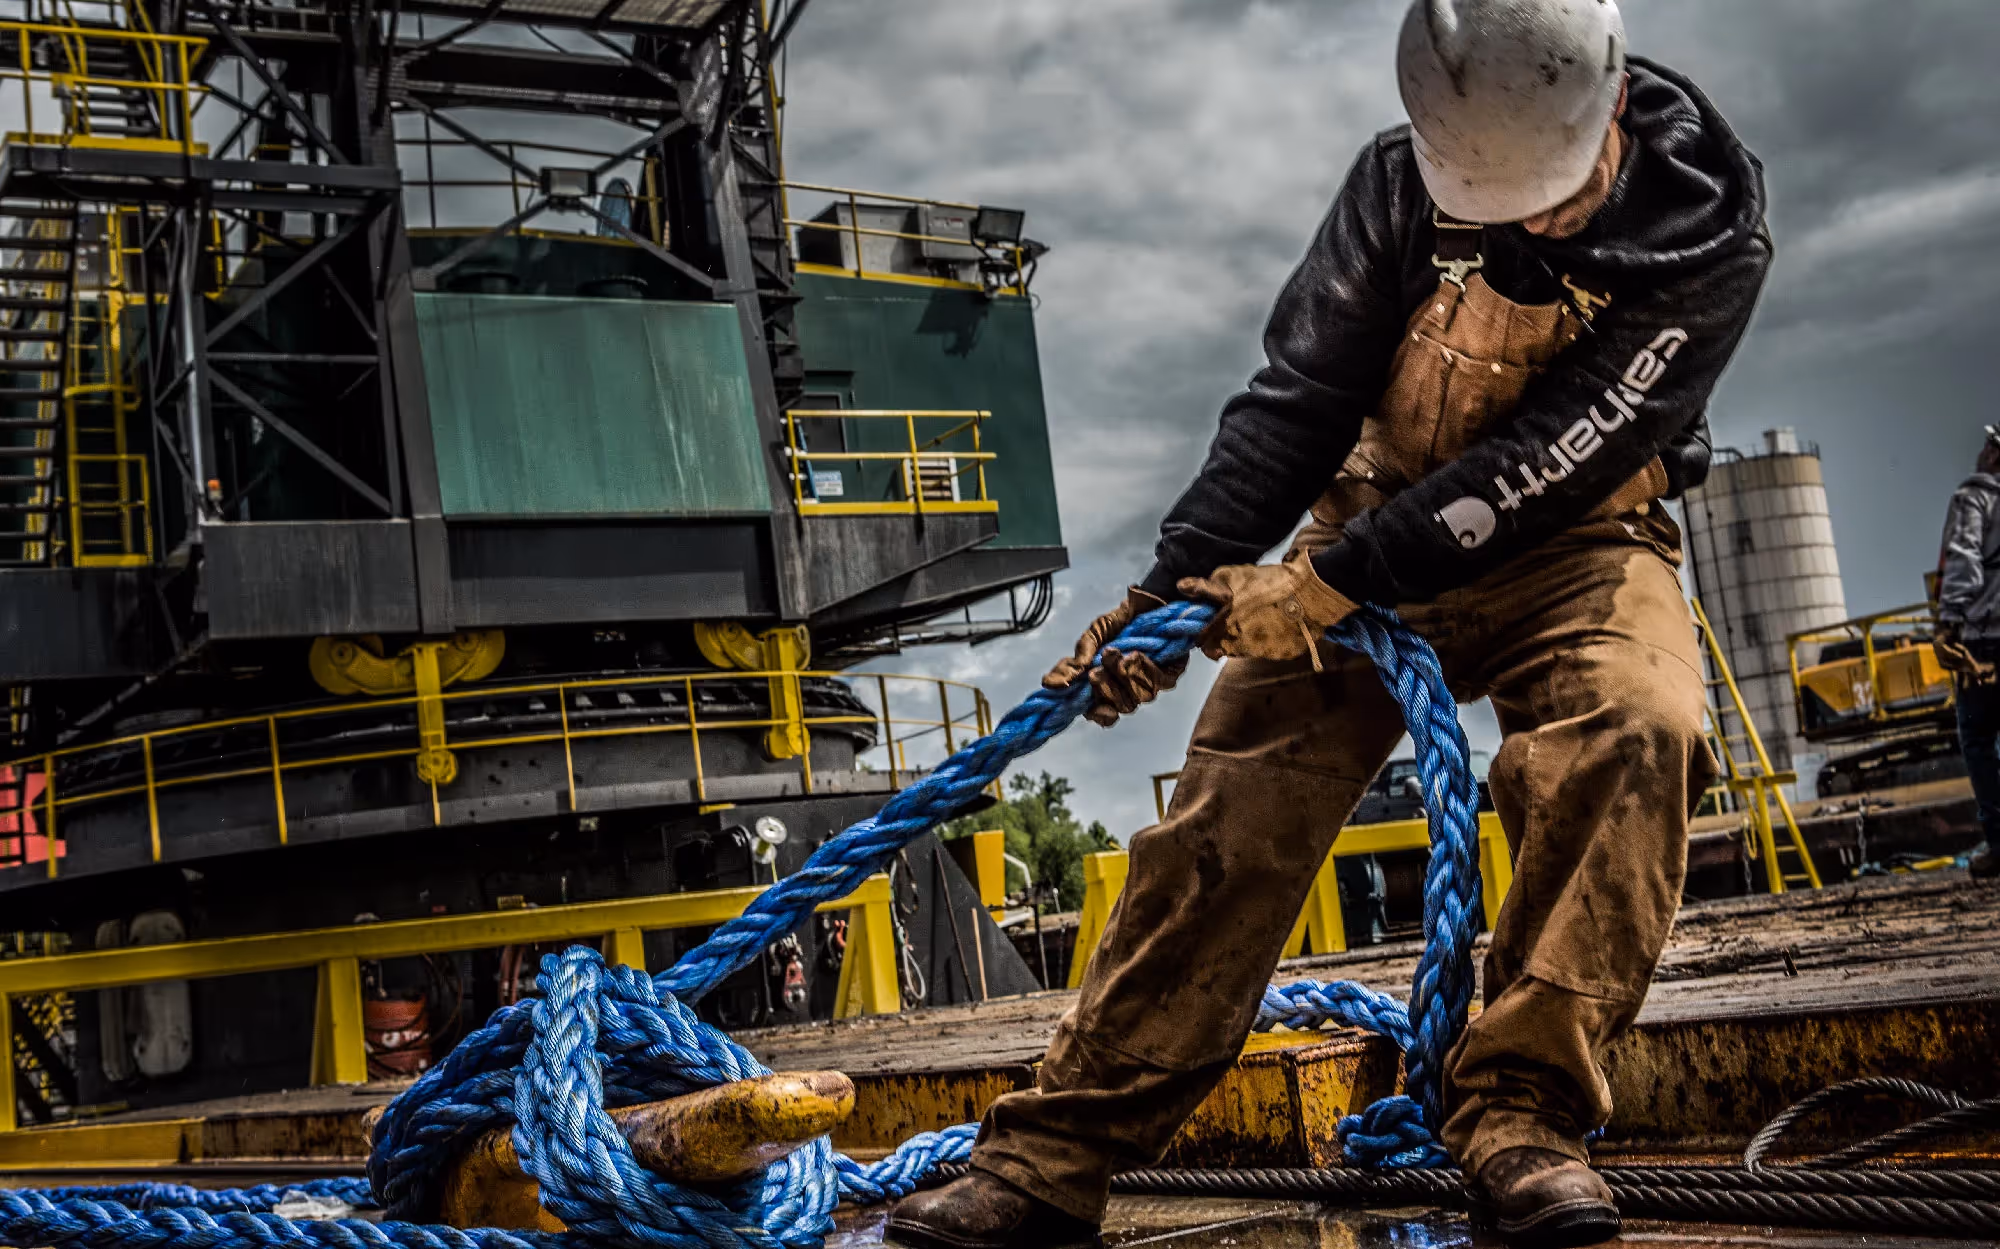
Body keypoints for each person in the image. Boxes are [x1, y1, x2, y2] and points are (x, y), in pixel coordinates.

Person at [888, 2, 1772, 1247]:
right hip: (1370, 532)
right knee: (1229, 816)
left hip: (1571, 542)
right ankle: (1051, 1154)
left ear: (1610, 103)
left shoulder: (1704, 231)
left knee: (1635, 725)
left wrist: (1325, 586)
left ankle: (1520, 1115)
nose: (1521, 222)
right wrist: (1166, 593)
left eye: (1546, 199)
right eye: (1492, 197)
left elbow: (1555, 458)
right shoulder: (1391, 192)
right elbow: (1294, 405)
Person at [1935, 426, 2000, 880]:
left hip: (1983, 638)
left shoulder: (1974, 497)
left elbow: (1964, 558)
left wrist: (1949, 622)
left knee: (1979, 741)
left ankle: (1999, 843)